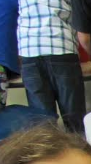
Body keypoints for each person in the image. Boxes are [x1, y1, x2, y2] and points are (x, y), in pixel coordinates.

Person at [16, 0, 86, 134]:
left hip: (29, 50)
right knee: (74, 119)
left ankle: (48, 147)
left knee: (43, 123)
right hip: (61, 47)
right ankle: (77, 145)